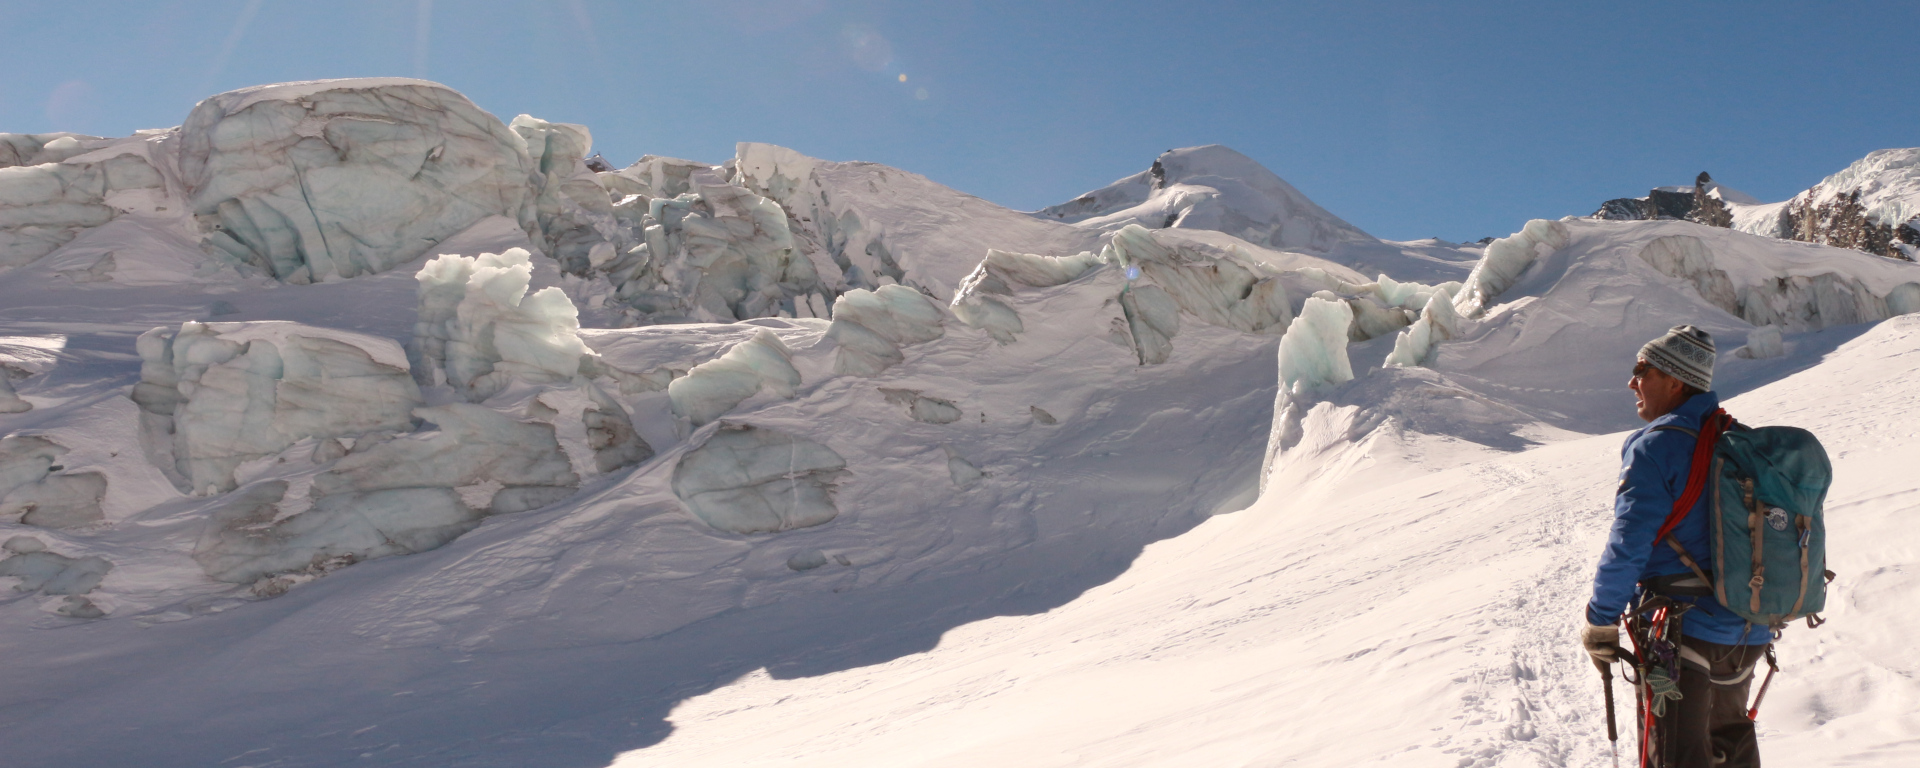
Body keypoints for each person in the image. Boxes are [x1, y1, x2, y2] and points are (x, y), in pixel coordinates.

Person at [1581, 325, 1771, 768]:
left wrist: (1601, 620)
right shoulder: (1736, 439)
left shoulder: (1656, 447)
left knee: (1676, 757)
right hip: (1748, 628)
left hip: (1682, 632)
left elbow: (1629, 541)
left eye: (1641, 370)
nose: (1632, 381)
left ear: (1674, 380)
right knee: (1730, 747)